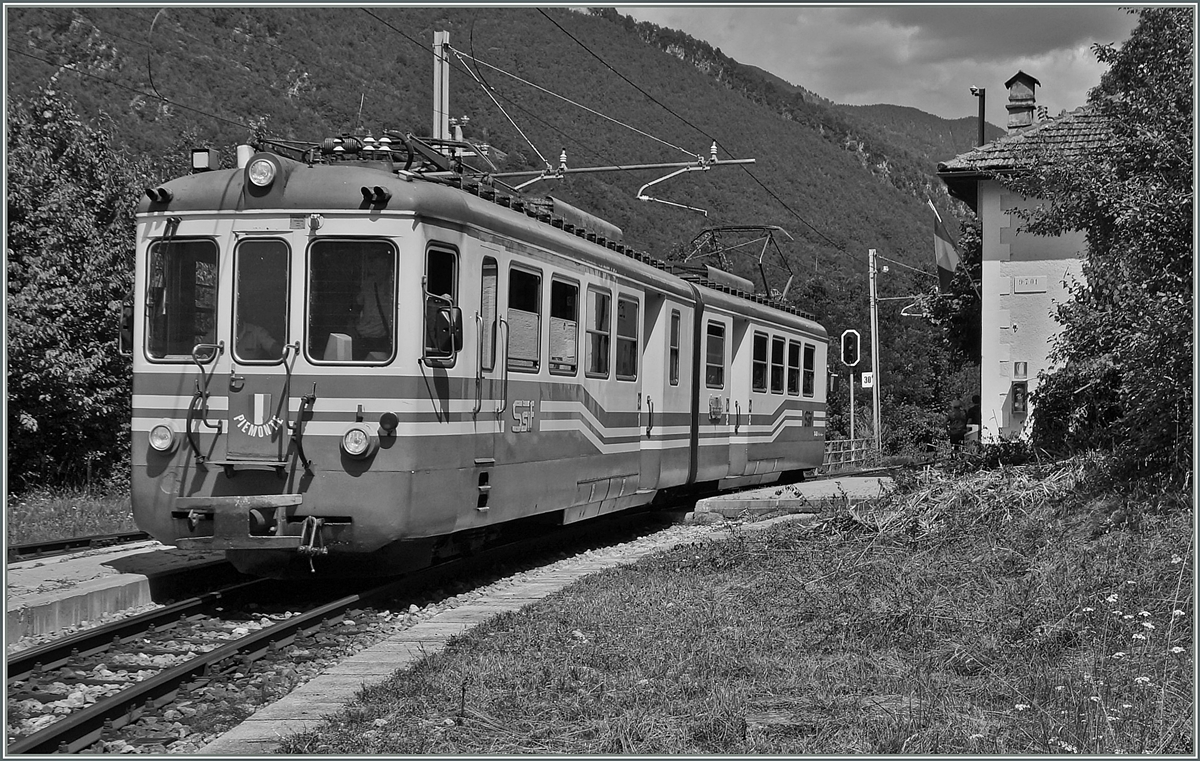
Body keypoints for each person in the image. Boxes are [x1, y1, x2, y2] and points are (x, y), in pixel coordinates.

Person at [352, 256, 394, 359]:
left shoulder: (369, 283)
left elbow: (357, 304)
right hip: (375, 337)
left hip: (370, 335)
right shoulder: (393, 284)